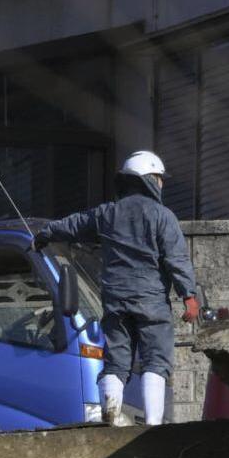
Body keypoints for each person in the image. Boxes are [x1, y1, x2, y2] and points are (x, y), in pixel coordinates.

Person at [37, 149, 201, 426]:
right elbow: (177, 259)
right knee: (155, 360)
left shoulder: (107, 213)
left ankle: (111, 418)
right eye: (159, 178)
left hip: (115, 301)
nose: (162, 183)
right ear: (149, 179)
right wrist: (190, 295)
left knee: (116, 361)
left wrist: (45, 234)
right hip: (151, 302)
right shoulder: (162, 216)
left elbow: (74, 224)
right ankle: (153, 425)